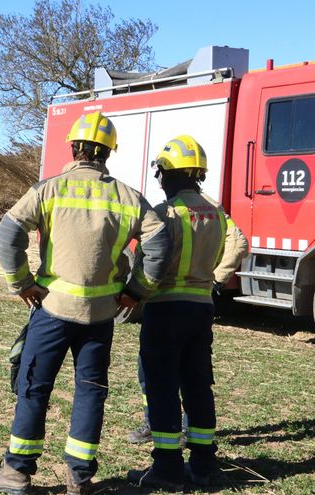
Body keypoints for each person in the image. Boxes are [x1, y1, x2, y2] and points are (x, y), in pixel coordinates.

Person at [0, 111, 172, 495]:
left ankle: (17, 472)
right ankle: (79, 478)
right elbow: (159, 245)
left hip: (51, 309)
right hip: (101, 315)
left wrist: (22, 283)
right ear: (108, 153)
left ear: (74, 148)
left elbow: (9, 233)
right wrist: (137, 291)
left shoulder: (48, 190)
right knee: (90, 390)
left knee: (33, 385)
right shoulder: (128, 197)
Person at [127, 135, 248, 491]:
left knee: (162, 387)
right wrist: (216, 279)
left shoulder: (165, 214)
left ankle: (166, 468)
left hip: (165, 310)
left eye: (161, 175)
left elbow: (150, 259)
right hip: (201, 309)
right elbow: (239, 243)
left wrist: (135, 291)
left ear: (168, 175)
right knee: (198, 387)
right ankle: (204, 464)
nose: (160, 181)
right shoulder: (216, 212)